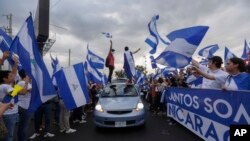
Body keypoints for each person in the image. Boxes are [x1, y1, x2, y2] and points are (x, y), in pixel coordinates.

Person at [17, 69, 32, 141]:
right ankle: (23, 139)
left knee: (21, 125)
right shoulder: (25, 83)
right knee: (24, 126)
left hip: (20, 106)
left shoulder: (19, 83)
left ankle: (22, 138)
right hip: (25, 107)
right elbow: (28, 91)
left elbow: (15, 93)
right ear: (26, 75)